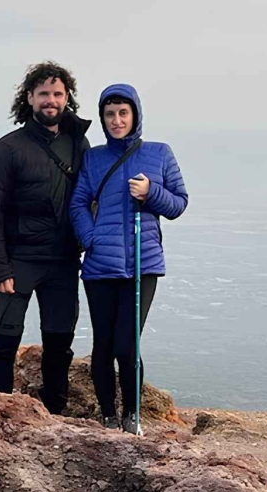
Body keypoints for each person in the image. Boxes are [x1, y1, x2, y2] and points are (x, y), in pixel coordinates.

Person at [70, 83, 189, 434]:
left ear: (135, 114)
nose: (116, 120)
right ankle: (108, 416)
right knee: (102, 345)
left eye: (123, 113)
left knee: (127, 343)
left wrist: (151, 193)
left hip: (143, 263)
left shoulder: (159, 153)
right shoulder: (93, 158)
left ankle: (131, 416)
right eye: (110, 114)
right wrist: (90, 238)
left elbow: (179, 204)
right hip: (100, 266)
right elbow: (78, 202)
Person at [0, 61, 93, 415]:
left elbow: (91, 198)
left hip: (62, 260)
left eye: (58, 94)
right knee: (4, 339)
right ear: (29, 98)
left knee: (60, 342)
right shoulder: (6, 150)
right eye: (43, 93)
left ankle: (54, 414)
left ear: (67, 98)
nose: (51, 100)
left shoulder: (79, 144)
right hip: (19, 260)